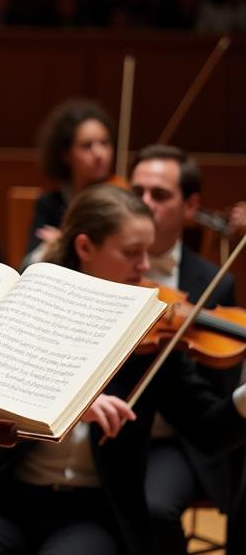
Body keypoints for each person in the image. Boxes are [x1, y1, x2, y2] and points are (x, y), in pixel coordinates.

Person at [0, 184, 246, 555]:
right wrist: (69, 403)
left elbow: (208, 432)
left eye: (147, 253)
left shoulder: (151, 331)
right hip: (8, 497)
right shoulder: (31, 311)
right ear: (85, 248)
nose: (145, 267)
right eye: (131, 253)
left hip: (94, 511)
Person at [129, 145, 241, 554]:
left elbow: (212, 404)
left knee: (155, 508)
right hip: (109, 428)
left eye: (158, 195)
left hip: (174, 439)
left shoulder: (214, 281)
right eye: (135, 192)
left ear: (191, 206)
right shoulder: (105, 269)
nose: (143, 205)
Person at [24, 98, 115, 263]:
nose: (99, 153)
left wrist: (62, 241)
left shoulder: (120, 200)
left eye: (104, 143)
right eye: (87, 146)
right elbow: (29, 262)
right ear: (66, 155)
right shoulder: (50, 203)